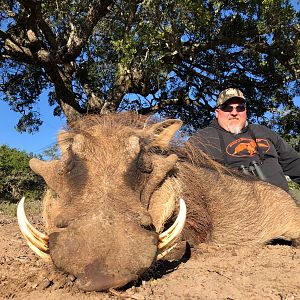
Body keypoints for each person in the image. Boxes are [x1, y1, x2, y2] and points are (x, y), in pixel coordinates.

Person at [189, 88, 300, 203]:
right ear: (217, 112)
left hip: (282, 208)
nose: (234, 113)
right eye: (228, 108)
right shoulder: (202, 138)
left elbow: (294, 163)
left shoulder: (262, 131)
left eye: (240, 108)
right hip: (237, 212)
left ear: (245, 111)